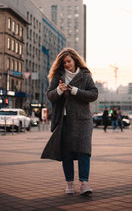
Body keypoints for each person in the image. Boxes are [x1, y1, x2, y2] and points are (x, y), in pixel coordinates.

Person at [42, 48, 98, 196]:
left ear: (75, 60)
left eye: (68, 61)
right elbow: (50, 95)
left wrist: (76, 91)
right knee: (66, 153)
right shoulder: (58, 76)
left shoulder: (85, 75)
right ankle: (69, 184)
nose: (66, 65)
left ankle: (84, 184)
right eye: (64, 62)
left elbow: (94, 94)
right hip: (65, 120)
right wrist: (59, 91)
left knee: (84, 151)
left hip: (83, 120)